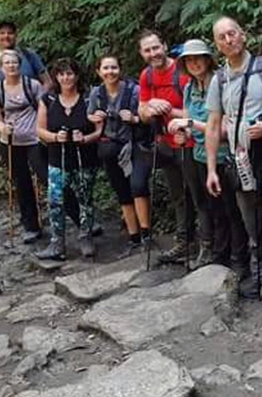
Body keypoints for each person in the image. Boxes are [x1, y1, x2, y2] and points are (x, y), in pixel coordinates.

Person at [208, 16, 262, 298]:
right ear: (217, 45)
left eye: (232, 33)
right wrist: (211, 170)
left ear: (243, 35)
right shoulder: (219, 79)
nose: (229, 40)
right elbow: (213, 125)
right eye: (222, 37)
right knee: (252, 221)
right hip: (241, 162)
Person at [169, 39, 248, 270]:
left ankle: (239, 260)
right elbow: (188, 121)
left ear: (207, 59)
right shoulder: (189, 88)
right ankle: (220, 256)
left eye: (198, 58)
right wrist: (182, 133)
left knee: (233, 210)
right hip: (200, 157)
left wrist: (190, 124)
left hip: (225, 157)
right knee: (214, 210)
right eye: (189, 60)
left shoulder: (222, 82)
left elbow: (223, 129)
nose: (194, 63)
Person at [137, 29, 196, 263]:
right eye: (147, 50)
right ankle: (184, 242)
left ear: (164, 46)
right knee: (178, 196)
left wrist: (168, 110)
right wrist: (150, 105)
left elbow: (198, 113)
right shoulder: (147, 76)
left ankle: (209, 244)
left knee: (199, 195)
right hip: (165, 144)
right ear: (142, 53)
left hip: (190, 143)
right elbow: (142, 113)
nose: (153, 53)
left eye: (156, 47)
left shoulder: (182, 72)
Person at [36, 58, 100, 261]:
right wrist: (55, 137)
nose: (66, 78)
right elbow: (39, 130)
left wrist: (85, 138)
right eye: (62, 74)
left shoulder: (88, 99)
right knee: (56, 201)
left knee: (85, 199)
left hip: (84, 158)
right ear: (56, 77)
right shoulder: (48, 99)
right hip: (57, 158)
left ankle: (86, 237)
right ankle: (57, 242)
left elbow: (99, 130)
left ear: (77, 76)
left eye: (70, 73)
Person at [88, 54, 153, 251]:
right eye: (106, 68)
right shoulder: (97, 93)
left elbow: (147, 116)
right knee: (122, 191)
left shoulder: (134, 91)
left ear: (120, 69)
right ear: (99, 72)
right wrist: (95, 117)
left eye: (114, 68)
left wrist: (134, 119)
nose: (110, 72)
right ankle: (134, 236)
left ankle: (147, 234)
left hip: (134, 144)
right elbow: (89, 114)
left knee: (138, 186)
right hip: (110, 147)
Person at [0, 49, 46, 243]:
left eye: (14, 62)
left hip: (35, 140)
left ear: (20, 64)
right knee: (22, 184)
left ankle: (79, 219)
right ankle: (31, 227)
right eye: (7, 63)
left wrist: (42, 130)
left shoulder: (33, 85)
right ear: (1, 67)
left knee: (49, 178)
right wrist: (3, 128)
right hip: (10, 142)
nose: (11, 65)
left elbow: (44, 109)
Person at [0, 19, 48, 104]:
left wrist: (40, 101)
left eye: (10, 33)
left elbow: (47, 82)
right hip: (4, 110)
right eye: (2, 33)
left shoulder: (29, 55)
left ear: (16, 36)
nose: (6, 36)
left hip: (33, 109)